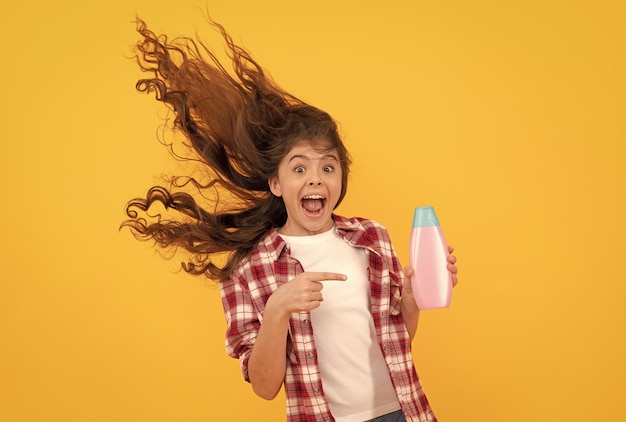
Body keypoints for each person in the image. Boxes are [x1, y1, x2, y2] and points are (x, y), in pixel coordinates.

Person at [122, 16, 458, 422]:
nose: (315, 178)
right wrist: (279, 307)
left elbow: (396, 342)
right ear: (276, 183)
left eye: (327, 168)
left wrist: (412, 302)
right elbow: (264, 387)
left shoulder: (373, 238)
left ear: (340, 178)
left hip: (403, 412)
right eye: (299, 168)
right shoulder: (249, 268)